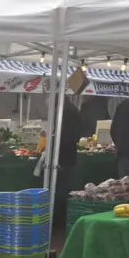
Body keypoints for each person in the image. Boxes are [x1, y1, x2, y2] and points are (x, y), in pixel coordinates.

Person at [53, 95, 82, 227]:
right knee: (64, 187)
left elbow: (65, 136)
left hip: (63, 156)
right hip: (68, 156)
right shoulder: (71, 110)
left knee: (62, 189)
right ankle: (61, 218)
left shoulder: (66, 112)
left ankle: (59, 219)